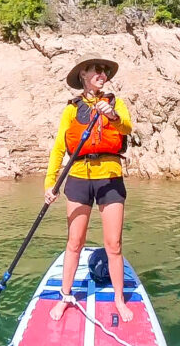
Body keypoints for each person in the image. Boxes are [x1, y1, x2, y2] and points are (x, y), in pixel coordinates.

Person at [45, 53, 134, 322]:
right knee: (74, 242)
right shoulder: (71, 109)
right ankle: (65, 296)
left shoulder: (116, 103)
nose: (101, 74)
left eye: (104, 71)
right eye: (95, 70)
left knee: (113, 244)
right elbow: (60, 147)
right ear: (83, 75)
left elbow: (127, 129)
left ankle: (119, 299)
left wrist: (115, 117)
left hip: (109, 177)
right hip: (79, 178)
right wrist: (50, 183)